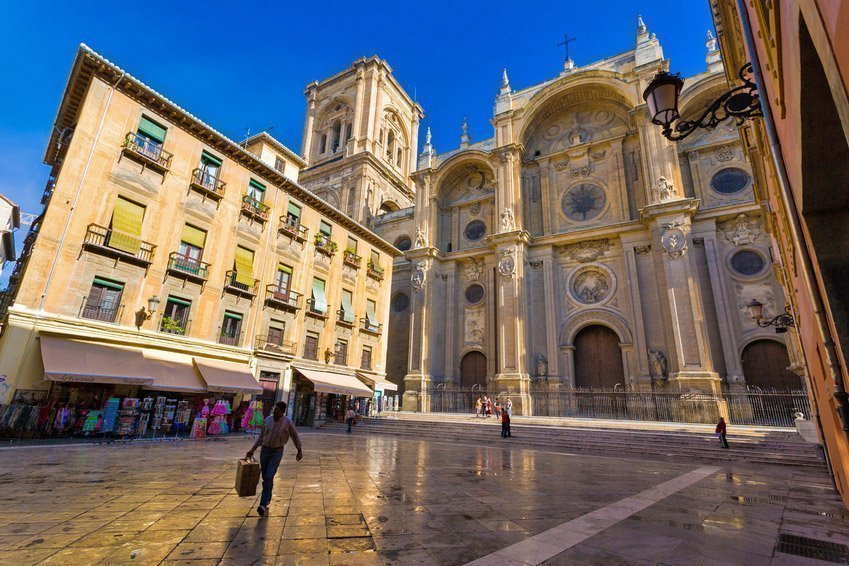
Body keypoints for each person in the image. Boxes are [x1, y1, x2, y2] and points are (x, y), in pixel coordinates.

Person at [246, 401, 303, 517]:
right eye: (274, 409)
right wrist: (252, 450)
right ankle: (268, 497)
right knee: (266, 477)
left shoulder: (288, 423)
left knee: (269, 476)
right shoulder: (267, 420)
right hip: (265, 450)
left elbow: (295, 437)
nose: (274, 411)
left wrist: (299, 450)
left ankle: (262, 504)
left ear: (282, 412)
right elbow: (261, 437)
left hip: (277, 451)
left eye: (277, 410)